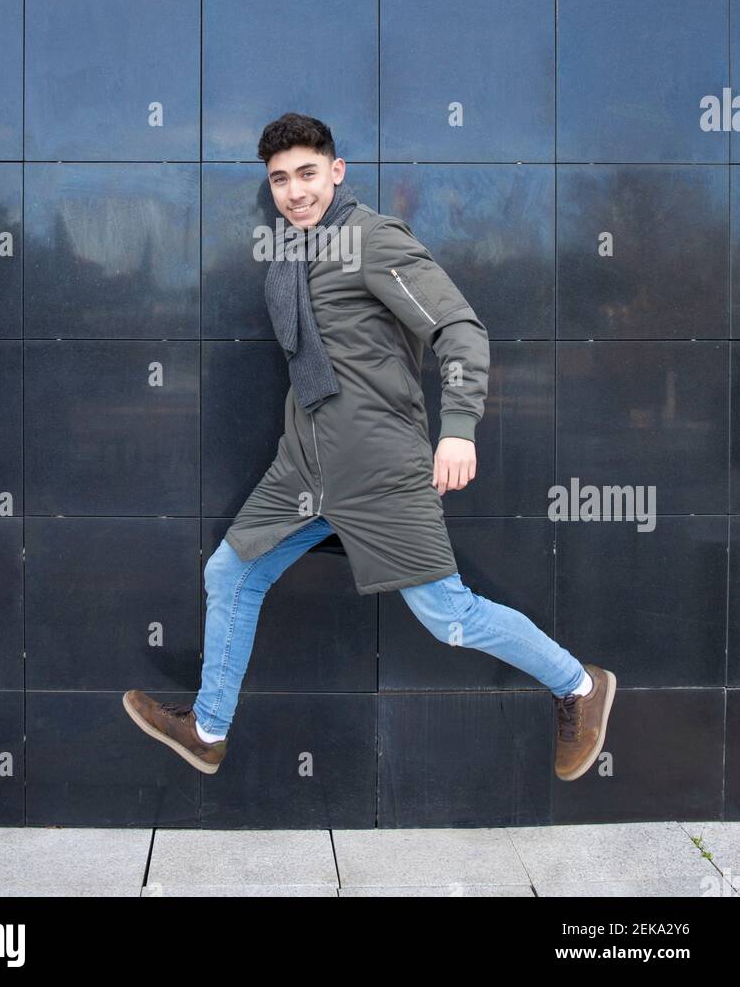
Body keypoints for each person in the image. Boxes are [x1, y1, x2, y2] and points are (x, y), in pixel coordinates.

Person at [124, 112, 616, 781]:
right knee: (229, 574)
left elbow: (460, 330)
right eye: (280, 180)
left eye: (307, 174)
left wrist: (458, 428)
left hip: (380, 468)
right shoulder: (292, 255)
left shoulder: (373, 240)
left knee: (449, 618)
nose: (295, 192)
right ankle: (208, 731)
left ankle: (580, 688)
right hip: (302, 468)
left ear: (337, 170)